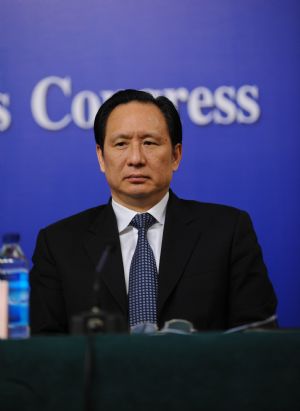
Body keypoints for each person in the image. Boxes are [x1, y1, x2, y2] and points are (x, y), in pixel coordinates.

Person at [29, 89, 277, 334]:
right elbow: (43, 350)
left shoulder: (227, 232)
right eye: (121, 144)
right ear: (101, 158)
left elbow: (258, 337)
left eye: (149, 143)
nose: (135, 158)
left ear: (176, 155)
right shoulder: (59, 244)